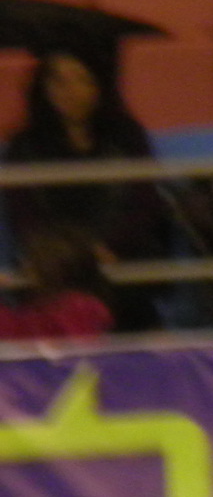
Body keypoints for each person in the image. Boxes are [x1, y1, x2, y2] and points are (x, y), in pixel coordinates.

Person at [4, 48, 166, 332]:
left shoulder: (128, 136)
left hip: (119, 254)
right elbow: (23, 214)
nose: (71, 91)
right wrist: (60, 253)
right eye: (59, 81)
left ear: (100, 85)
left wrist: (111, 246)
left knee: (122, 288)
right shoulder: (23, 146)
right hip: (54, 260)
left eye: (82, 80)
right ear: (43, 89)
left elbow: (145, 203)